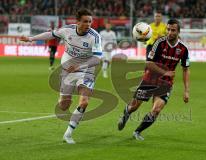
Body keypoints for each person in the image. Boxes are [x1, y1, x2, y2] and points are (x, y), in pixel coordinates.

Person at [20, 8, 102, 144]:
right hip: (67, 71)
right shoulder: (67, 30)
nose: (88, 24)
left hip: (86, 71)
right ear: (77, 22)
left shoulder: (95, 36)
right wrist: (30, 39)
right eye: (85, 22)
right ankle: (63, 97)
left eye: (90, 22)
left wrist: (79, 66)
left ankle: (68, 134)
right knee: (63, 106)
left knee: (84, 102)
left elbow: (97, 59)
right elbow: (50, 34)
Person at [118, 19, 190, 141]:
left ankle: (137, 132)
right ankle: (127, 112)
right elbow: (149, 63)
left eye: (173, 30)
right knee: (134, 106)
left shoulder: (183, 49)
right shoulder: (159, 43)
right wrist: (165, 72)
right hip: (150, 79)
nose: (169, 32)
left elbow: (186, 69)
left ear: (178, 32)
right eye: (168, 29)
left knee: (156, 110)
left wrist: (186, 90)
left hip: (166, 83)